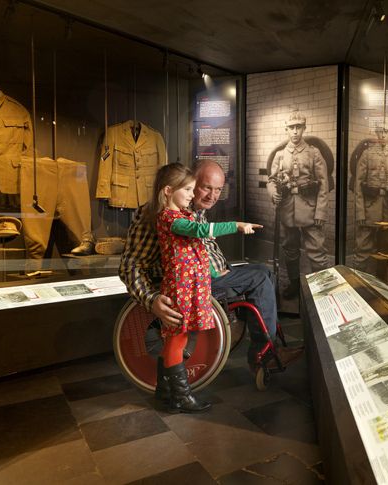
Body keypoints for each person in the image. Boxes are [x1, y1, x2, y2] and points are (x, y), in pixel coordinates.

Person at [119, 160, 303, 402]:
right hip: (188, 285)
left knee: (265, 273)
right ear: (191, 183)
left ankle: (267, 346)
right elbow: (130, 265)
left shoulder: (192, 211)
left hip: (211, 277)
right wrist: (150, 299)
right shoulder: (155, 213)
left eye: (218, 190)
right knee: (260, 278)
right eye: (206, 187)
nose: (213, 196)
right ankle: (264, 354)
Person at [149, 163, 258, 413]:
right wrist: (236, 226)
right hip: (180, 289)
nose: (191, 194)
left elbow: (198, 252)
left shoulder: (182, 216)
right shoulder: (170, 218)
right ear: (168, 191)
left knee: (177, 340)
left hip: (191, 287)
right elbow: (199, 231)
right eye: (187, 189)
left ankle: (165, 393)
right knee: (178, 339)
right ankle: (182, 396)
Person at [267, 110, 330, 299]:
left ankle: (323, 287)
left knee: (316, 252)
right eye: (291, 128)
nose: (295, 132)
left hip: (310, 211)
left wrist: (320, 212)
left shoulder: (313, 153)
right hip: (287, 209)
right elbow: (271, 179)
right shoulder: (279, 155)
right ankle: (294, 284)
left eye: (298, 128)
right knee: (290, 250)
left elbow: (323, 184)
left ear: (304, 128)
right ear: (286, 129)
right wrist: (273, 194)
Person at [354, 123, 388, 272]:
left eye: (386, 132)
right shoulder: (367, 155)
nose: (382, 135)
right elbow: (358, 185)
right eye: (380, 132)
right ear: (376, 134)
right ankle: (360, 285)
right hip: (369, 209)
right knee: (362, 249)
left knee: (387, 250)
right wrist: (360, 213)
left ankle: (382, 284)